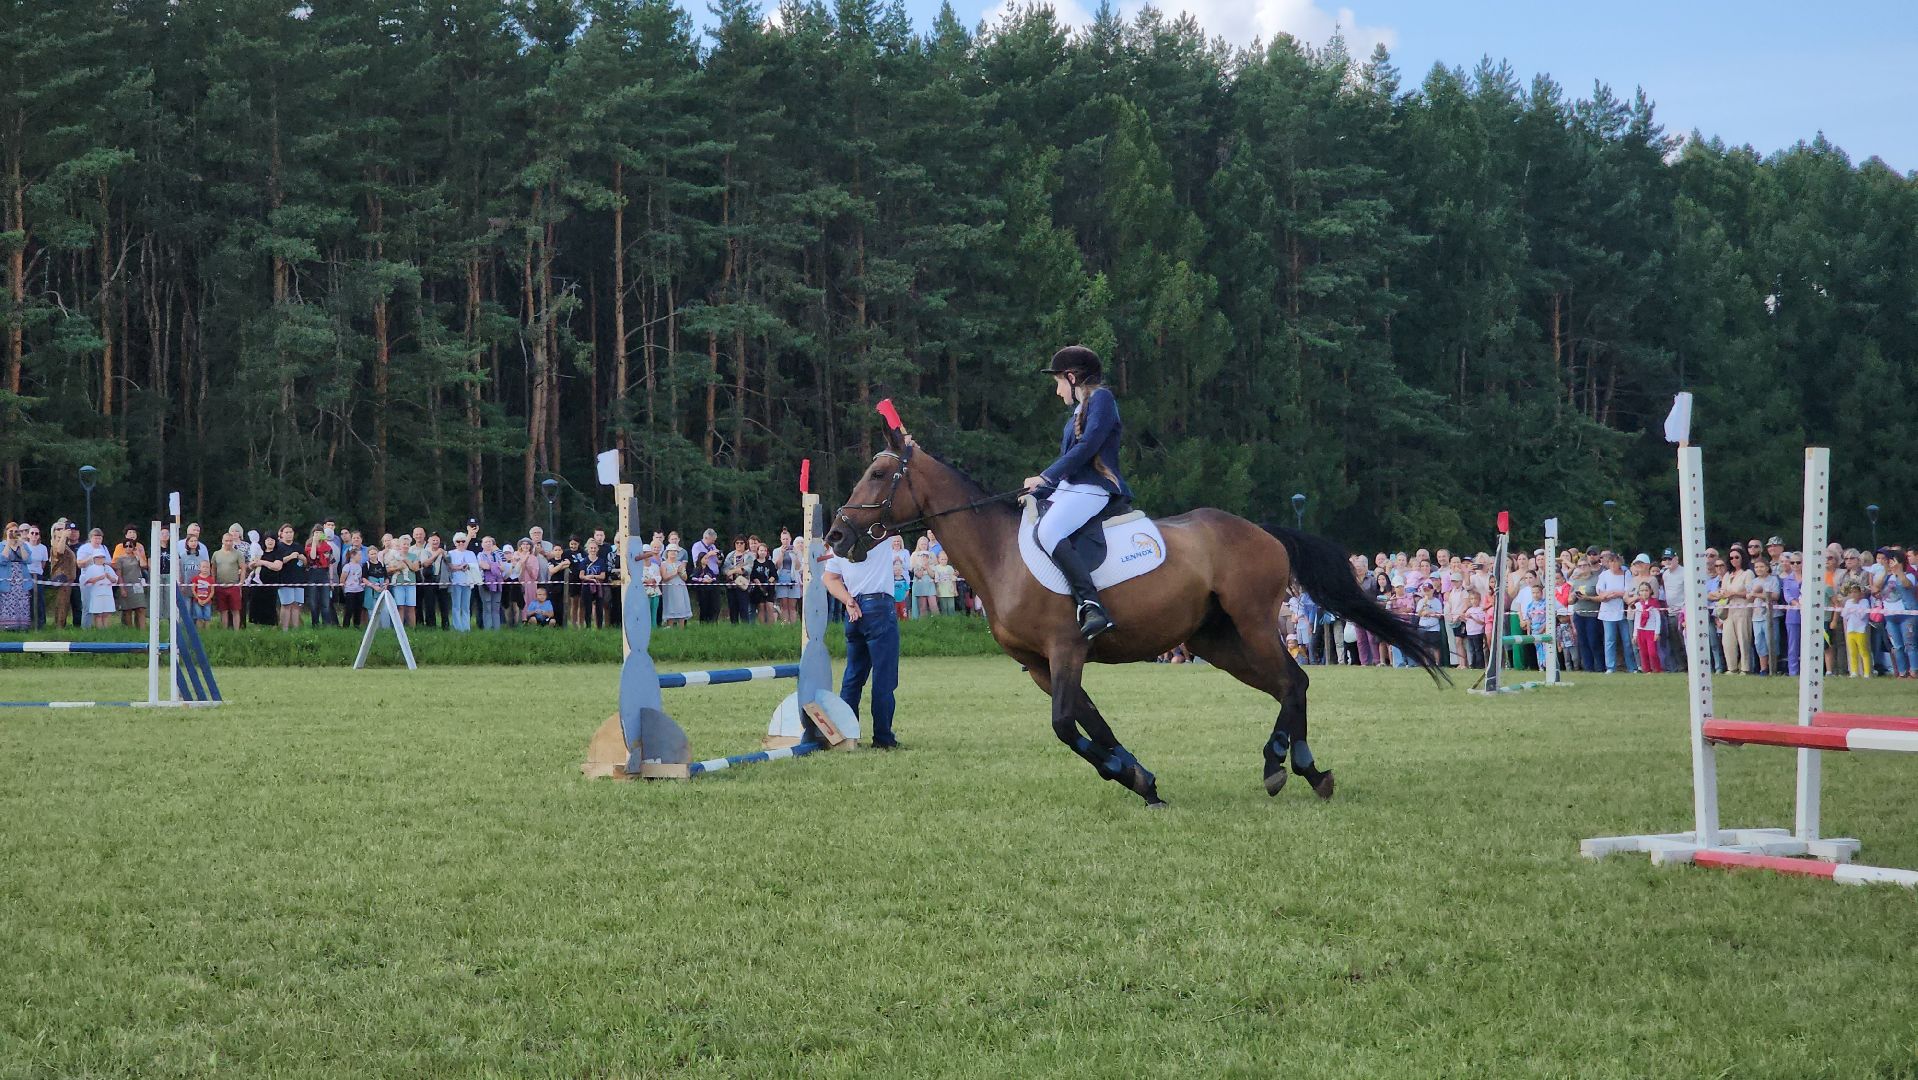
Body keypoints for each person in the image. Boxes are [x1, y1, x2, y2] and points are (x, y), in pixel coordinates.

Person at [1023, 345, 1130, 640]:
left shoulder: (1102, 400)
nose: (1057, 391)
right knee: (1029, 523)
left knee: (1049, 530)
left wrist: (1045, 476)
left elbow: (1088, 448)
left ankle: (1092, 605)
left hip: (1094, 488)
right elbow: (1069, 462)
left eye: (1058, 383)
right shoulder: (1075, 415)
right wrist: (1041, 489)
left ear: (1071, 377)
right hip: (1071, 488)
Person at [824, 522, 904, 750]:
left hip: (853, 609)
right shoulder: (881, 535)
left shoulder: (839, 544)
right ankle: (883, 737)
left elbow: (829, 579)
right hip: (879, 606)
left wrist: (848, 600)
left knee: (853, 677)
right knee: (884, 678)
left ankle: (848, 736)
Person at [76, 528, 118, 629]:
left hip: (102, 582)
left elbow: (109, 562)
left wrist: (102, 561)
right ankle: (86, 628)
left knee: (101, 607)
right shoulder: (84, 548)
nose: (98, 540)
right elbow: (79, 564)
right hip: (88, 577)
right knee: (87, 605)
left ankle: (100, 628)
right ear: (91, 538)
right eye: (95, 538)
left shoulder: (103, 548)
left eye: (100, 538)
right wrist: (91, 558)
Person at [112, 526, 149, 630]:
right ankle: (130, 630)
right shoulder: (120, 557)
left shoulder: (138, 552)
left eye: (130, 546)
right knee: (127, 610)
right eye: (126, 546)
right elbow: (117, 571)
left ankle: (142, 630)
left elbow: (144, 565)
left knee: (141, 608)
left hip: (137, 584)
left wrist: (138, 554)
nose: (128, 548)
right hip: (126, 584)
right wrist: (122, 588)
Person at [211, 530, 247, 629]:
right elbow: (213, 568)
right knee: (223, 611)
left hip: (233, 586)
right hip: (220, 586)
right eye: (226, 541)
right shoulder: (216, 554)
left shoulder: (238, 554)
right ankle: (224, 631)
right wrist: (213, 583)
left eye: (230, 541)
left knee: (235, 610)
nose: (228, 543)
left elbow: (243, 568)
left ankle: (236, 632)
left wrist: (241, 582)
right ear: (222, 541)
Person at [0, 524, 31, 630]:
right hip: (7, 578)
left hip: (21, 578)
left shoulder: (23, 545)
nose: (14, 533)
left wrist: (21, 545)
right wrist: (8, 544)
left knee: (22, 601)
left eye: (16, 531)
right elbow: (2, 560)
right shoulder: (1, 545)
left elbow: (27, 559)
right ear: (6, 532)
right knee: (7, 601)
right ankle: (7, 626)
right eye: (11, 531)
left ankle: (22, 626)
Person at [446, 532, 479, 632]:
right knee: (456, 606)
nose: (461, 543)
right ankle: (457, 627)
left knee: (466, 606)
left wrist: (467, 566)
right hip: (456, 582)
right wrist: (460, 567)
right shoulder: (450, 553)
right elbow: (449, 566)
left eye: (463, 541)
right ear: (455, 543)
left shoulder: (471, 553)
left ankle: (466, 627)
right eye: (458, 541)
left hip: (467, 582)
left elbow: (475, 566)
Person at [1632, 582, 1664, 674]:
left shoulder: (1654, 603)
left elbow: (1658, 619)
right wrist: (1635, 635)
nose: (1644, 592)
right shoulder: (1638, 605)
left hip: (1651, 631)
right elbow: (1637, 620)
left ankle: (1657, 669)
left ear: (1650, 591)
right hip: (1641, 631)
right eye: (1642, 590)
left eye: (1646, 590)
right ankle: (1647, 670)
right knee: (1643, 652)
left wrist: (1657, 632)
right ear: (1639, 592)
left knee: (1652, 652)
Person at [1840, 584, 1872, 677]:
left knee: (1863, 651)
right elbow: (1844, 614)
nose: (1853, 594)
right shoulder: (1848, 602)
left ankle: (1866, 672)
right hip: (1850, 629)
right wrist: (1852, 609)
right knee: (1852, 652)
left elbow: (1862, 615)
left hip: (1861, 629)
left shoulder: (1864, 602)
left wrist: (1853, 609)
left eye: (1855, 592)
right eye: (1851, 592)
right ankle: (1854, 672)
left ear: (1860, 593)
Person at [659, 545, 692, 628]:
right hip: (669, 589)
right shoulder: (663, 564)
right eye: (671, 551)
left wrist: (681, 572)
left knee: (681, 605)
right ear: (667, 553)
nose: (673, 553)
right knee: (670, 606)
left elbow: (685, 578)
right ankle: (670, 627)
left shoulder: (680, 564)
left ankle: (681, 628)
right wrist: (675, 572)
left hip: (680, 588)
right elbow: (665, 577)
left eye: (675, 551)